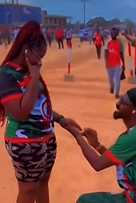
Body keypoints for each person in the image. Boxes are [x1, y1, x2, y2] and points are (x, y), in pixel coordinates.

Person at [0, 21, 80, 203]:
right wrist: (35, 76)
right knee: (28, 191)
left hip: (46, 138)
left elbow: (40, 107)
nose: (41, 60)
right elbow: (20, 113)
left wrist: (60, 119)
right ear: (26, 49)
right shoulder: (6, 75)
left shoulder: (30, 70)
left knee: (43, 184)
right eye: (40, 54)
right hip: (24, 143)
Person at [71, 88, 136, 203]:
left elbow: (97, 164)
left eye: (123, 102)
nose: (117, 104)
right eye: (120, 99)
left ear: (134, 110)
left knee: (85, 201)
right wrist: (96, 145)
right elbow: (116, 158)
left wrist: (77, 136)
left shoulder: (133, 137)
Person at [104, 28, 125, 98]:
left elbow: (121, 53)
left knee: (117, 79)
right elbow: (106, 53)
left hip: (117, 64)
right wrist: (106, 62)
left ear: (117, 34)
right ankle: (112, 87)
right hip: (109, 64)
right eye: (112, 33)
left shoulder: (120, 43)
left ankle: (117, 93)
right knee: (110, 79)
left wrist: (123, 64)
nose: (113, 34)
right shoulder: (108, 42)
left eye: (114, 33)